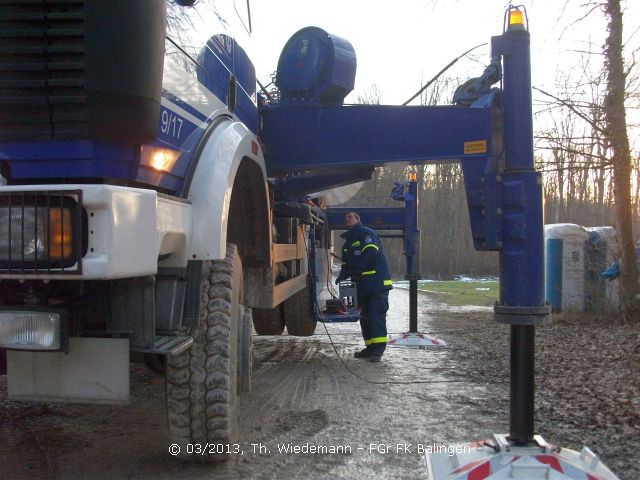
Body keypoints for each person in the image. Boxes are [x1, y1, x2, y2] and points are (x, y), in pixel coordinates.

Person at [335, 211, 393, 362]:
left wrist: (358, 269)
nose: (347, 219)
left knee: (376, 316)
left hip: (376, 284)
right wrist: (343, 274)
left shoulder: (367, 234)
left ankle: (378, 350)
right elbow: (346, 264)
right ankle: (369, 348)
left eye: (350, 216)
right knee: (365, 318)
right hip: (361, 287)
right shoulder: (348, 243)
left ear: (358, 219)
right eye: (345, 217)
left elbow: (370, 253)